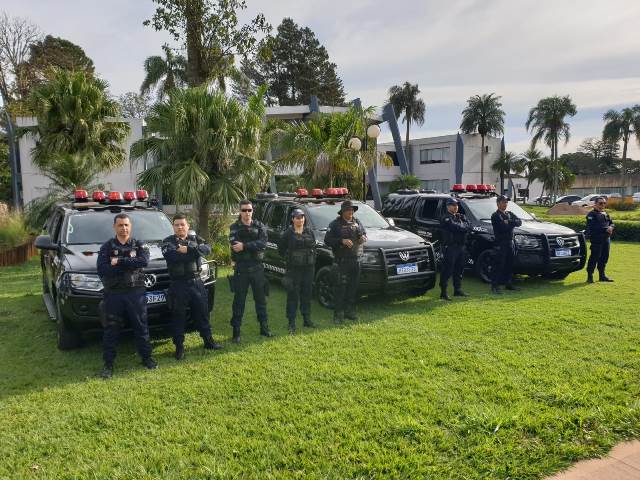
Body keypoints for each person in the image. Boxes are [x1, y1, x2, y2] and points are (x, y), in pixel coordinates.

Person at [97, 213, 157, 378]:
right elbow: (103, 269)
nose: (124, 228)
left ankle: (147, 358)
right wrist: (129, 264)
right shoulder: (107, 247)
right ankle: (108, 364)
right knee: (111, 328)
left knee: (141, 326)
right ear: (114, 227)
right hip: (114, 294)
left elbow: (143, 262)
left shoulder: (138, 245)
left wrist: (120, 261)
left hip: (135, 293)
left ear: (130, 227)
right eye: (120, 225)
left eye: (126, 225)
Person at [161, 213, 223, 360]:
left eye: (183, 224)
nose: (180, 227)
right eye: (177, 225)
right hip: (178, 284)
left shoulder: (194, 239)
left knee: (202, 312)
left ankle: (209, 341)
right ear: (173, 227)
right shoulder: (167, 241)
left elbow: (207, 249)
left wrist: (188, 249)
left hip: (196, 282)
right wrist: (194, 252)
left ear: (187, 226)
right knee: (178, 316)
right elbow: (171, 256)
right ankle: (179, 347)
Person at [229, 199, 272, 343]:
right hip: (242, 269)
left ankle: (264, 328)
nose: (247, 213)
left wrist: (245, 245)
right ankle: (236, 332)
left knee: (261, 300)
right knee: (239, 302)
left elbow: (263, 243)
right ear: (240, 211)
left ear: (252, 211)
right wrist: (252, 245)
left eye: (249, 210)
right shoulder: (234, 227)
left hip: (257, 269)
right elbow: (235, 245)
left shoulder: (260, 226)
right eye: (244, 210)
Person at [324, 200, 367, 323]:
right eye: (348, 210)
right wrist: (341, 241)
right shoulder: (335, 224)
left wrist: (363, 238)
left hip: (356, 260)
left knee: (353, 287)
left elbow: (364, 234)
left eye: (352, 210)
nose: (351, 212)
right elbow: (327, 240)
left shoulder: (357, 222)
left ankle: (349, 311)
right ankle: (338, 314)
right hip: (342, 261)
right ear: (343, 212)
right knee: (340, 288)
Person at [278, 208, 317, 333]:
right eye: (297, 217)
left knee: (307, 294)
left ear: (304, 219)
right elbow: (281, 249)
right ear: (293, 219)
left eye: (302, 217)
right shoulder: (288, 233)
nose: (300, 220)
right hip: (294, 270)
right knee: (293, 295)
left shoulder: (309, 231)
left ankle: (307, 319)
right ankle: (291, 322)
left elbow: (314, 247)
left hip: (308, 269)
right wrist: (289, 259)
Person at [439, 198, 470, 300]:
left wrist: (462, 226)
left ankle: (457, 290)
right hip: (450, 247)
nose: (456, 207)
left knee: (459, 269)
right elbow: (455, 227)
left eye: (456, 205)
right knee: (447, 270)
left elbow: (468, 225)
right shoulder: (445, 218)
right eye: (453, 205)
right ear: (448, 206)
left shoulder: (460, 216)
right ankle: (443, 292)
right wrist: (462, 227)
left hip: (461, 247)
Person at [490, 195, 522, 294]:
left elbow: (519, 222)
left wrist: (509, 222)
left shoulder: (509, 213)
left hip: (510, 242)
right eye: (503, 202)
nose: (505, 204)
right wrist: (511, 223)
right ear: (498, 203)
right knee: (499, 264)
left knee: (510, 264)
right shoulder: (495, 215)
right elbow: (504, 228)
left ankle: (509, 283)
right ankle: (495, 285)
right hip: (501, 243)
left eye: (506, 202)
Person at [585, 196, 615, 283]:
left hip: (606, 239)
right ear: (595, 204)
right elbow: (593, 227)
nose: (603, 205)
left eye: (604, 203)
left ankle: (602, 276)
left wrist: (611, 227)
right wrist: (606, 229)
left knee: (604, 257)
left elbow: (612, 223)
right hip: (597, 239)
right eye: (600, 203)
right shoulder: (591, 215)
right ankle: (590, 276)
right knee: (594, 257)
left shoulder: (605, 213)